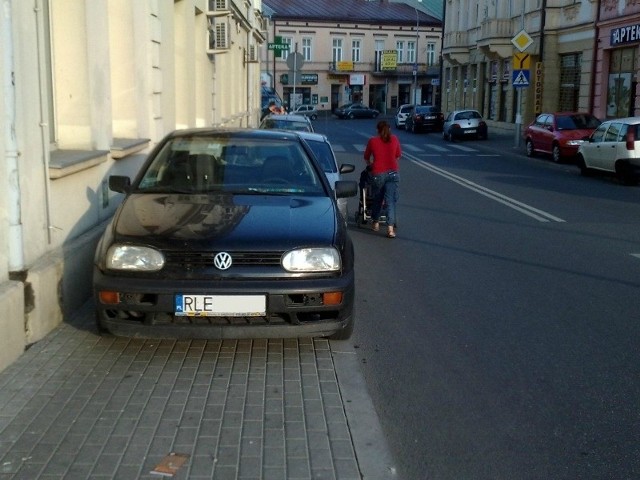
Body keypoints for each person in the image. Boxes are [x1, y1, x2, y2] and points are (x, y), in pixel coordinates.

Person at [363, 120, 401, 238]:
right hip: (393, 173)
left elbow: (366, 157)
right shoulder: (394, 139)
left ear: (377, 130)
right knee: (390, 201)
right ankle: (390, 229)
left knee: (377, 199)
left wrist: (371, 165)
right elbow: (398, 155)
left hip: (378, 174)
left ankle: (375, 223)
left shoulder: (373, 141)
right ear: (389, 129)